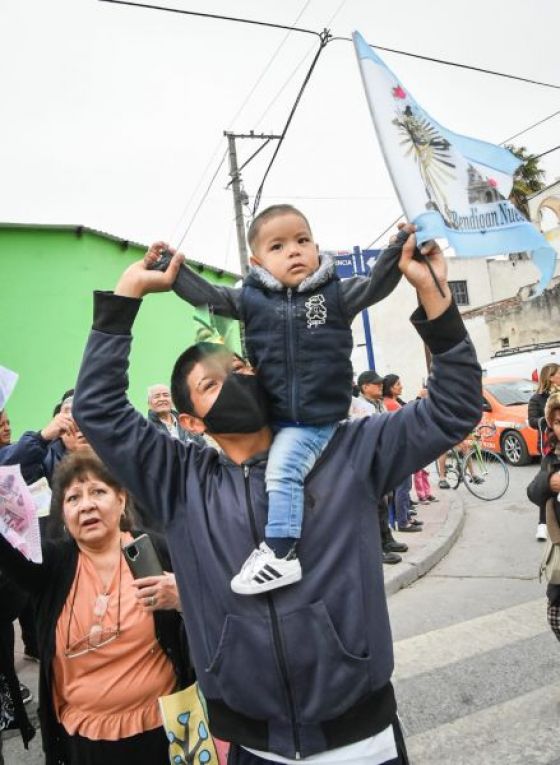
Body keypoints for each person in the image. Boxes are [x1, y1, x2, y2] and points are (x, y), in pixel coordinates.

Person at [72, 226, 482, 764]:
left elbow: (454, 407)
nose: (235, 380)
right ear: (193, 421)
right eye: (212, 383)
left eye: (239, 369)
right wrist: (125, 298)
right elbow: (98, 409)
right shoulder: (178, 478)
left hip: (364, 741)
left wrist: (433, 296)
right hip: (252, 747)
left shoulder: (348, 450)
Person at [145, 205, 409, 595]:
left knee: (282, 473)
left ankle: (281, 554)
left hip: (314, 419)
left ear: (316, 247)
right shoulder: (252, 301)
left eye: (303, 241)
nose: (294, 251)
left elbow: (375, 285)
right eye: (279, 246)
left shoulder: (332, 295)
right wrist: (172, 268)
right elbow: (211, 297)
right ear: (257, 262)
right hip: (274, 416)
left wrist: (399, 247)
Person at [0, 450, 191, 765]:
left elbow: (211, 610)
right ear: (63, 513)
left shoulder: (155, 550)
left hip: (166, 732)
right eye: (73, 498)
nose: (86, 504)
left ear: (121, 499)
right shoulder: (51, 565)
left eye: (98, 492)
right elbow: (7, 548)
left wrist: (182, 598)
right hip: (85, 743)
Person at [355, 371, 408, 565]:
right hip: (367, 461)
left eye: (380, 384)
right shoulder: (359, 406)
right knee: (373, 507)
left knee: (384, 503)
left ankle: (387, 540)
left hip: (381, 460)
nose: (380, 387)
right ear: (364, 387)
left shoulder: (380, 404)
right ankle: (377, 549)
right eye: (375, 384)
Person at [527, 393, 560, 643]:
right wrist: (549, 482)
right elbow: (533, 493)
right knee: (556, 612)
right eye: (558, 421)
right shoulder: (553, 457)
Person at [381, 375, 422, 534]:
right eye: (398, 384)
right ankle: (403, 522)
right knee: (403, 487)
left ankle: (404, 517)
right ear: (390, 387)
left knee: (403, 487)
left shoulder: (391, 403)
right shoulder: (391, 404)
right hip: (400, 451)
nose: (401, 387)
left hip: (398, 450)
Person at [528, 363, 560, 541]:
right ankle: (543, 523)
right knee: (548, 482)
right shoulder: (537, 399)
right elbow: (532, 420)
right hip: (549, 446)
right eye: (558, 373)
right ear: (550, 377)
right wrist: (547, 420)